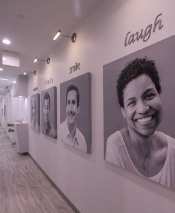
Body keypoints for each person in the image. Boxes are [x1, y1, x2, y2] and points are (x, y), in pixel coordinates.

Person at [105, 57, 175, 189]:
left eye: (149, 96)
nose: (143, 109)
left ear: (159, 95)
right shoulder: (116, 145)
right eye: (132, 103)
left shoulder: (173, 151)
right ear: (123, 111)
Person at [60, 84, 87, 152]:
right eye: (68, 103)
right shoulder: (59, 132)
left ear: (78, 109)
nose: (70, 109)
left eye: (73, 102)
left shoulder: (83, 141)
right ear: (66, 107)